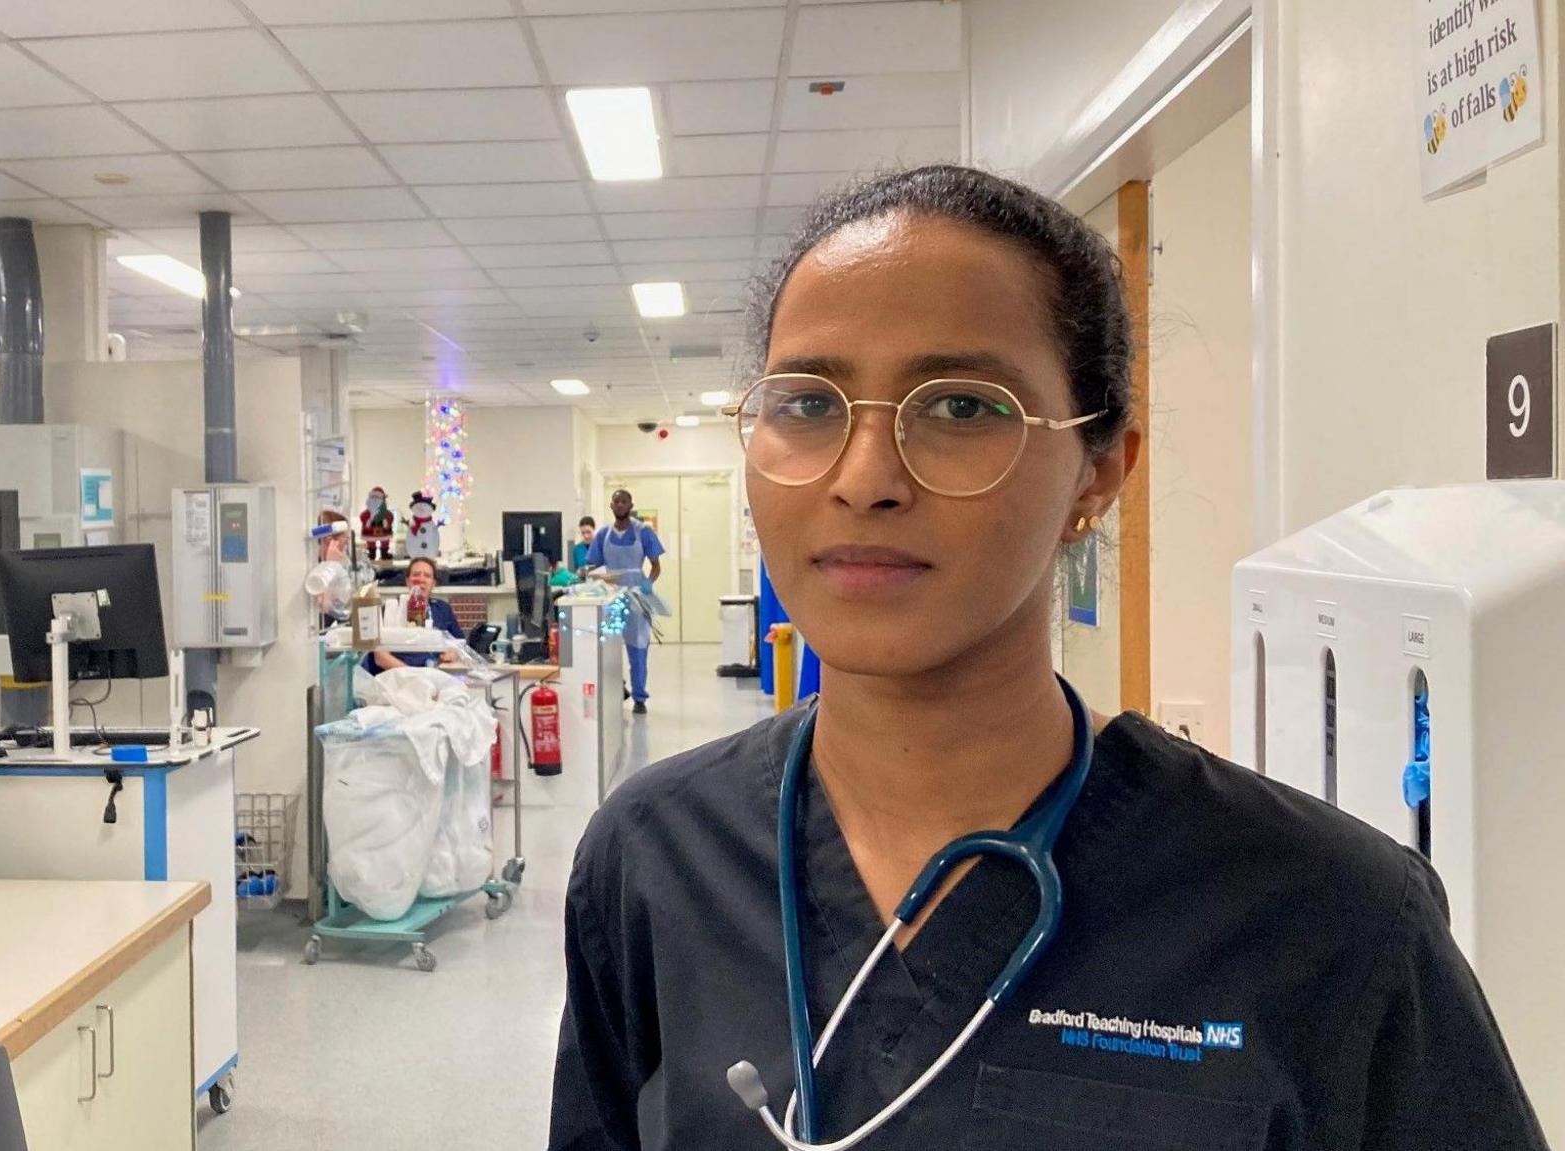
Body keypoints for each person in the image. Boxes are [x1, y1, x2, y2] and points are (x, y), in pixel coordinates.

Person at [548, 166, 1544, 1150]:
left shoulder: (1327, 917)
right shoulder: (653, 854)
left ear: (1099, 470)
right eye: (805, 404)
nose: (863, 478)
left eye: (961, 407)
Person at [593, 490, 663, 714]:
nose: (620, 505)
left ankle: (639, 696)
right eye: (616, 501)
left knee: (638, 648)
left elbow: (656, 565)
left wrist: (648, 584)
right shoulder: (603, 534)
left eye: (624, 501)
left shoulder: (644, 532)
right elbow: (592, 566)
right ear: (611, 505)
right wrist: (596, 578)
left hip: (636, 597)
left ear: (631, 504)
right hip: (610, 597)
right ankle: (613, 690)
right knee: (607, 648)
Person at [364, 557, 463, 675]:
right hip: (397, 676)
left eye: (427, 576)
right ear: (408, 581)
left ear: (433, 583)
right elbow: (380, 658)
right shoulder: (391, 610)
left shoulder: (442, 609)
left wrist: (452, 653)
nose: (421, 579)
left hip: (433, 674)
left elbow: (460, 643)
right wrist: (413, 675)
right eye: (416, 574)